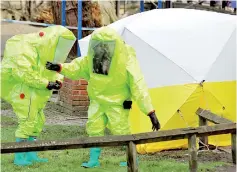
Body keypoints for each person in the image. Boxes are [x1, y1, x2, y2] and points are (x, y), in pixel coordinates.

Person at [46, 27, 161, 168]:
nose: (102, 49)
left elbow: (138, 84)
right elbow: (78, 66)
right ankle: (94, 160)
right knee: (94, 129)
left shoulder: (126, 57)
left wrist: (150, 111)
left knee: (121, 132)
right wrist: (60, 67)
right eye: (99, 45)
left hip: (118, 102)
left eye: (105, 45)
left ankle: (131, 159)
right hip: (97, 101)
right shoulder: (94, 56)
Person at [1, 25, 76, 166]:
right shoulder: (25, 47)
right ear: (52, 40)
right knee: (28, 120)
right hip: (22, 89)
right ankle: (20, 157)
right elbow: (23, 73)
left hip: (37, 91)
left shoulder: (46, 51)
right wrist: (47, 84)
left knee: (38, 120)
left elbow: (52, 71)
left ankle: (31, 154)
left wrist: (57, 81)